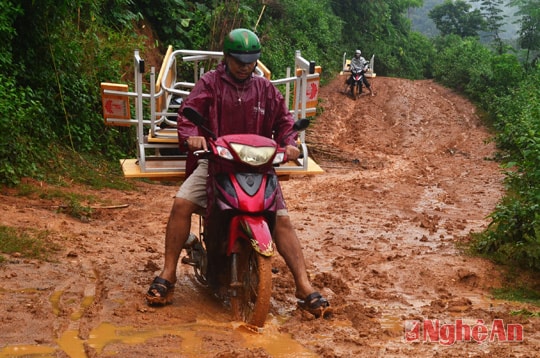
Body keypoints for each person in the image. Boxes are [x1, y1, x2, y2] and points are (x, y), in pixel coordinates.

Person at [145, 28, 331, 318]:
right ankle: (168, 274)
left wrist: (290, 143)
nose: (246, 66)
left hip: (259, 166)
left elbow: (284, 122)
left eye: (251, 61)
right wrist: (193, 135)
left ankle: (304, 286)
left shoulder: (266, 89)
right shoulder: (209, 84)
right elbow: (187, 114)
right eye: (240, 60)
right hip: (216, 162)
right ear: (227, 57)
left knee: (281, 220)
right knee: (181, 205)